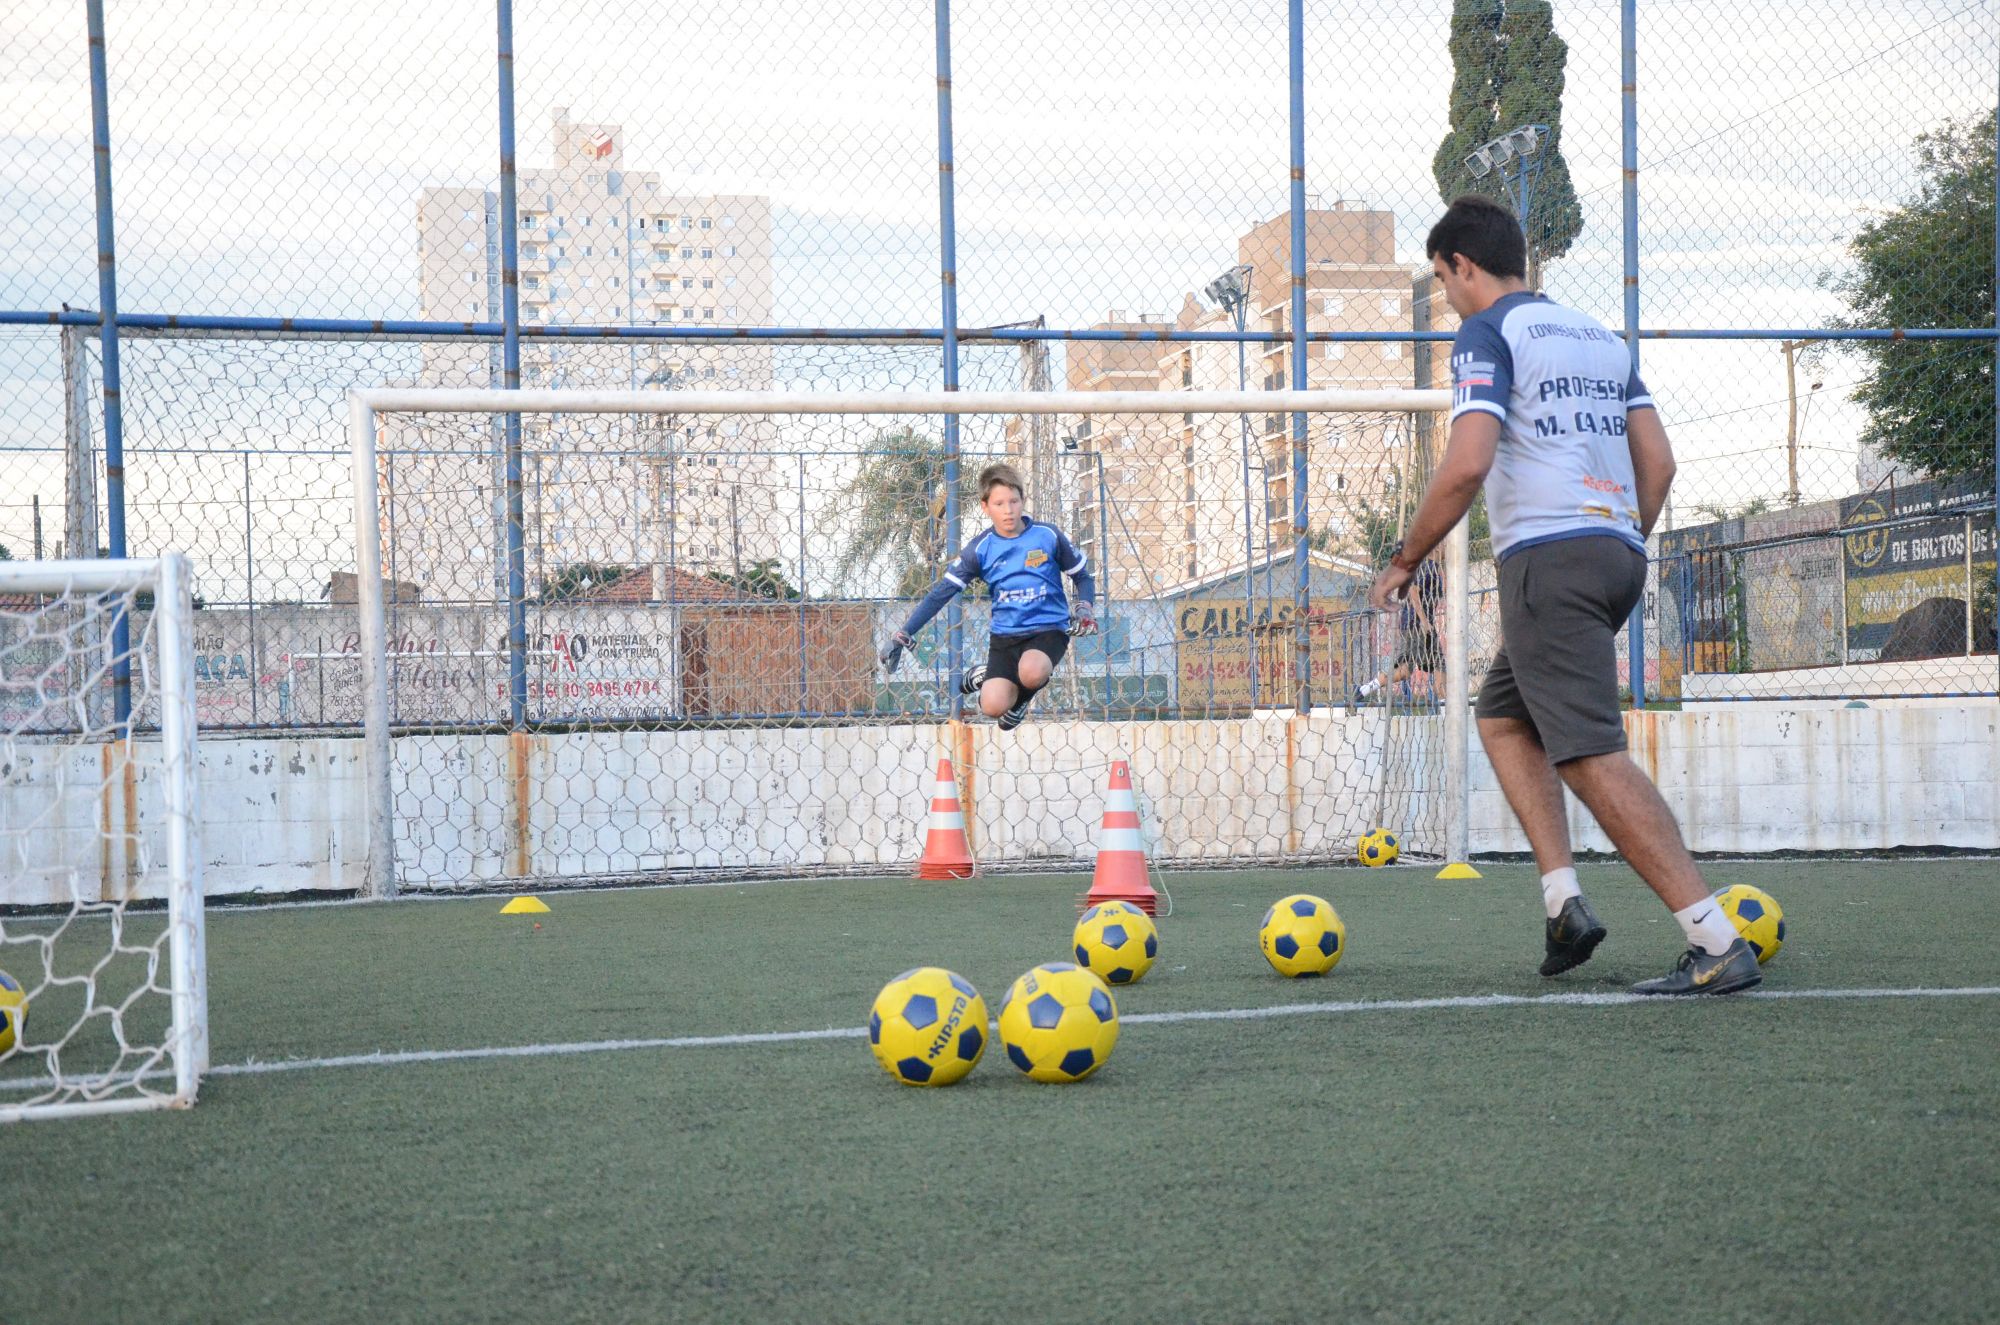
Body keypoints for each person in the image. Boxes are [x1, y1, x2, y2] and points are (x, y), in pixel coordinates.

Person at [1369, 194, 1760, 996]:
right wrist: (1616, 538)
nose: (1447, 296)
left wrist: (1405, 558)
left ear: (1463, 265)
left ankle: (1714, 938)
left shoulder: (1487, 333)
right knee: (1505, 714)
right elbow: (1659, 462)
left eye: (1444, 279)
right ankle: (1562, 903)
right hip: (1616, 551)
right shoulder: (1597, 335)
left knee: (1587, 753)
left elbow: (1468, 461)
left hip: (1549, 559)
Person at [879, 462, 1096, 731]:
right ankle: (985, 678)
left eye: (1014, 501)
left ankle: (1020, 703)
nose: (1008, 510)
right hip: (1005, 638)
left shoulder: (1047, 535)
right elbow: (941, 593)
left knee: (1032, 671)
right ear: (985, 507)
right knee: (992, 707)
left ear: (1022, 500)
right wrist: (902, 633)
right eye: (999, 503)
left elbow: (1083, 577)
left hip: (1048, 630)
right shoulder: (981, 549)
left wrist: (1084, 607)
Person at [1354, 546, 1443, 708]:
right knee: (1440, 664)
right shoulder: (1429, 566)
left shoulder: (1433, 567)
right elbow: (1413, 591)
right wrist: (1424, 621)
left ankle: (1363, 690)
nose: (1447, 548)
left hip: (1409, 624)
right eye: (1444, 545)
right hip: (1418, 626)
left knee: (1403, 670)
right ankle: (1448, 708)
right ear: (1436, 548)